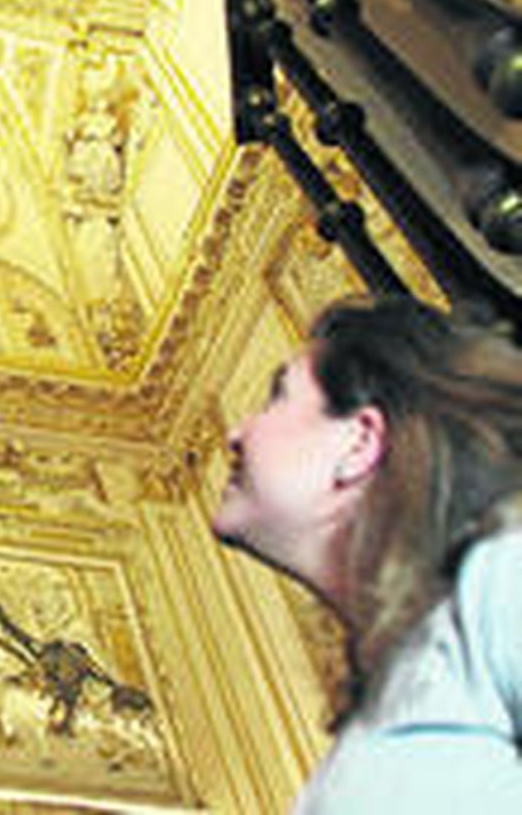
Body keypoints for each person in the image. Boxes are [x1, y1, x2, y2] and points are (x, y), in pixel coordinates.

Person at [213, 294, 522, 812]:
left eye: (277, 397)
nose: (236, 433)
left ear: (359, 442)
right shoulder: (362, 734)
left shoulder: (499, 580)